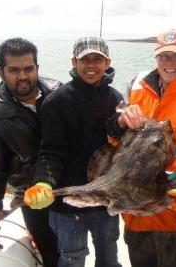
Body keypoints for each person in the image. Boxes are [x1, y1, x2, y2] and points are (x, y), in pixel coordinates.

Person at [106, 29, 176, 267]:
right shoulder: (136, 85)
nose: (169, 62)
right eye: (163, 56)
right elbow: (114, 139)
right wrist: (119, 123)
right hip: (135, 213)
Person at [23, 37, 123, 267]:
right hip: (67, 203)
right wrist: (44, 182)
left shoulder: (116, 99)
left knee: (109, 258)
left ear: (107, 62)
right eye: (84, 59)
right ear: (73, 62)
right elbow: (50, 151)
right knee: (72, 258)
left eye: (97, 59)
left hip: (105, 201)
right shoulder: (56, 102)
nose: (91, 64)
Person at [0, 37, 59, 267]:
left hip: (69, 190)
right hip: (35, 203)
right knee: (53, 256)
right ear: (1, 72)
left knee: (76, 250)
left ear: (37, 68)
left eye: (28, 68)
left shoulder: (59, 93)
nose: (23, 76)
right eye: (14, 70)